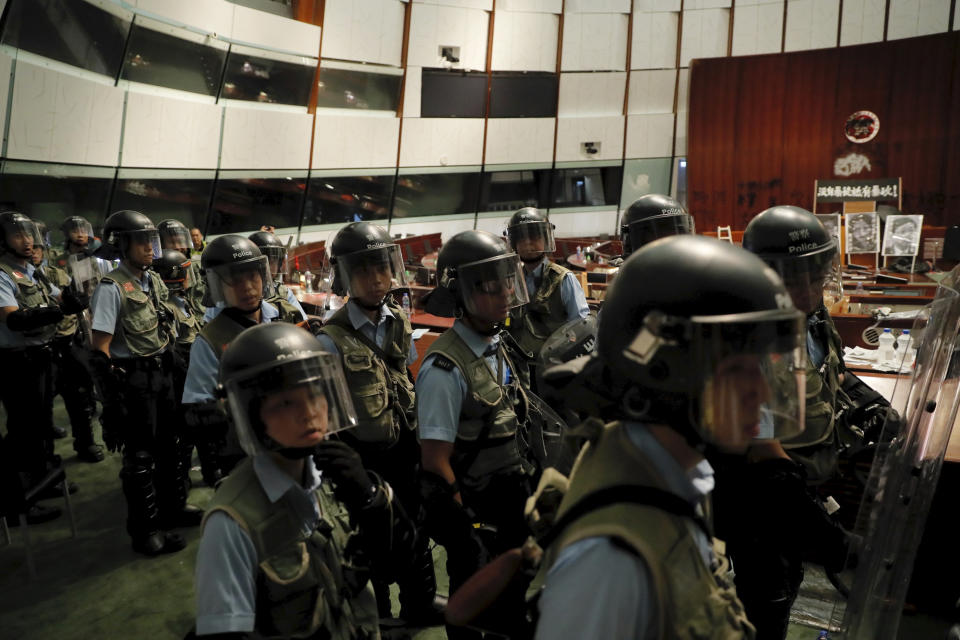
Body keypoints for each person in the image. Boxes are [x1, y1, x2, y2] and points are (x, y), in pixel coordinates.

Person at [534, 235, 809, 639]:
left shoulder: (671, 475)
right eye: (739, 371)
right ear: (664, 374)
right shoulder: (612, 560)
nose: (763, 394)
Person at [193, 322, 421, 638]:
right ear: (252, 414)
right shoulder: (232, 523)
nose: (310, 413)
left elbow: (396, 565)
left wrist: (372, 500)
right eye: (286, 402)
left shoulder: (335, 476)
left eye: (316, 394)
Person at [716, 205, 857, 638]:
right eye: (798, 277)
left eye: (818, 274)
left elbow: (832, 374)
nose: (812, 288)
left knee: (787, 585)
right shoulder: (745, 340)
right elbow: (765, 458)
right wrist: (833, 541)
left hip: (799, 486)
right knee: (766, 602)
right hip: (758, 500)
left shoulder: (812, 320)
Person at [316, 221, 440, 625]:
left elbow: (402, 377)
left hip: (404, 445)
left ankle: (419, 603)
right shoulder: (330, 338)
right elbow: (329, 413)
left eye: (382, 267)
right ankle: (380, 617)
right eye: (363, 270)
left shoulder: (397, 320)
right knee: (372, 538)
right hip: (363, 453)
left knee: (414, 527)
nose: (376, 279)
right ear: (345, 277)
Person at [417, 229, 533, 639]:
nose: (504, 293)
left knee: (513, 609)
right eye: (489, 285)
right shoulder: (444, 369)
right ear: (460, 295)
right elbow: (435, 460)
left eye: (506, 280)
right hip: (478, 515)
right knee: (476, 617)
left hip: (509, 503)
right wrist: (467, 530)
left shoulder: (494, 345)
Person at [89, 210, 201, 556]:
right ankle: (146, 530)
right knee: (140, 459)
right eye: (141, 241)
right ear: (121, 245)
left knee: (170, 445)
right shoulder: (111, 288)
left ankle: (172, 510)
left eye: (151, 240)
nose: (150, 248)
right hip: (134, 379)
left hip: (162, 371)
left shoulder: (151, 280)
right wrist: (113, 398)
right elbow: (100, 349)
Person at [182, 235, 303, 476]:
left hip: (297, 433)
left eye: (253, 276)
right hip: (246, 450)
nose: (248, 287)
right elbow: (199, 407)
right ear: (216, 285)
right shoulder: (210, 340)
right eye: (235, 280)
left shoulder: (287, 316)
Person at [0, 213, 82, 525]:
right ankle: (18, 501)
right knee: (23, 430)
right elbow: (14, 318)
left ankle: (43, 482)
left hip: (41, 355)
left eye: (29, 234)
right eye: (17, 235)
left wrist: (75, 296)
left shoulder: (33, 271)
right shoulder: (3, 274)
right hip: (16, 361)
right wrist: (58, 309)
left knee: (42, 424)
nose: (27, 240)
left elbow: (60, 298)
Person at [31, 230, 105, 463]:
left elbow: (78, 298)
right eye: (31, 248)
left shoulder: (55, 275)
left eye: (37, 247)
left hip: (68, 340)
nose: (33, 252)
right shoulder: (16, 278)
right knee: (40, 406)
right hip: (38, 348)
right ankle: (45, 460)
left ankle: (85, 443)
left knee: (80, 396)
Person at [153, 249, 221, 488]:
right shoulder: (167, 309)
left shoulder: (186, 302)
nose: (190, 275)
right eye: (185, 271)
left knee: (203, 428)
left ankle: (211, 472)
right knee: (186, 431)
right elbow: (170, 345)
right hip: (180, 374)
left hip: (193, 367)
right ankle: (181, 481)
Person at [503, 208, 589, 385]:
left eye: (534, 237)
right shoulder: (510, 280)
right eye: (522, 239)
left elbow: (582, 329)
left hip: (553, 371)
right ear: (514, 243)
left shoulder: (564, 279)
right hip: (517, 371)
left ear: (546, 239)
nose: (528, 244)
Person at [247, 230, 307, 321]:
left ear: (279, 264)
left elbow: (302, 322)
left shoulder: (282, 291)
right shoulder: (246, 293)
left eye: (272, 262)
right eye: (262, 263)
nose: (267, 268)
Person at [617, 193, 693, 261]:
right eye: (662, 235)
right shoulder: (625, 274)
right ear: (629, 241)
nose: (672, 246)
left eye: (679, 235)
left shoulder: (692, 268)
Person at [158, 219, 207, 318]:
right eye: (171, 242)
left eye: (180, 241)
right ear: (160, 245)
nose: (177, 247)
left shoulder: (198, 268)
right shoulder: (154, 275)